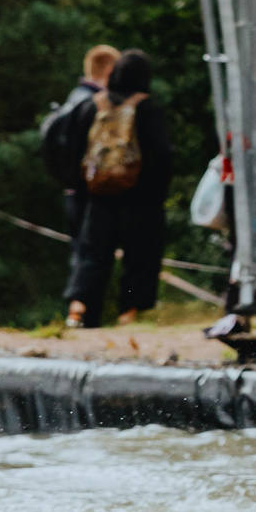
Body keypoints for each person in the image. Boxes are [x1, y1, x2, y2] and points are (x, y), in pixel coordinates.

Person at [64, 50, 175, 329]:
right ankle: (129, 313)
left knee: (92, 256)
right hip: (141, 200)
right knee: (140, 259)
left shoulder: (93, 106)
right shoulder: (147, 108)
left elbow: (74, 151)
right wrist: (157, 195)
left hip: (99, 197)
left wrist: (82, 191)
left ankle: (78, 310)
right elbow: (162, 155)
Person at [40, 45, 120, 237]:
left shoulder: (74, 99)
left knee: (82, 255)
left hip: (72, 192)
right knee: (91, 259)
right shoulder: (94, 105)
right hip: (90, 197)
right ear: (110, 71)